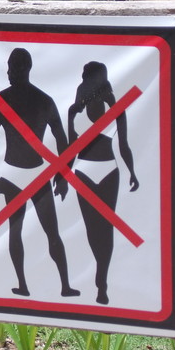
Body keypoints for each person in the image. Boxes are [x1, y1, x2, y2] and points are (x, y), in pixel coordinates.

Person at [0, 48, 79, 298]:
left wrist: (63, 176)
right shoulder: (5, 100)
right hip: (14, 174)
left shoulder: (43, 101)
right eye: (8, 68)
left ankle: (65, 285)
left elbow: (62, 141)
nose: (8, 73)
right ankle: (24, 285)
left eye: (12, 68)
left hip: (36, 174)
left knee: (50, 231)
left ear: (25, 68)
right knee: (18, 231)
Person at [67, 61, 139, 305]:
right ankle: (100, 270)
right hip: (83, 172)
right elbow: (70, 148)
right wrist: (62, 176)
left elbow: (124, 145)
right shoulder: (74, 111)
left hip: (109, 170)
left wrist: (132, 172)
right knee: (91, 227)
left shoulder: (115, 107)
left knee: (106, 226)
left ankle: (102, 280)